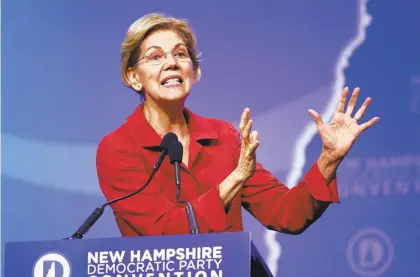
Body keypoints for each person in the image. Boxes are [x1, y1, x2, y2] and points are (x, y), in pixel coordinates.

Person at [96, 13, 379, 237]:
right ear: (133, 77)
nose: (171, 63)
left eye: (181, 54)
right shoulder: (118, 148)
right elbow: (165, 232)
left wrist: (329, 159)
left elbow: (287, 215)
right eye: (156, 57)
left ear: (193, 72)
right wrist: (235, 179)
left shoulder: (223, 137)